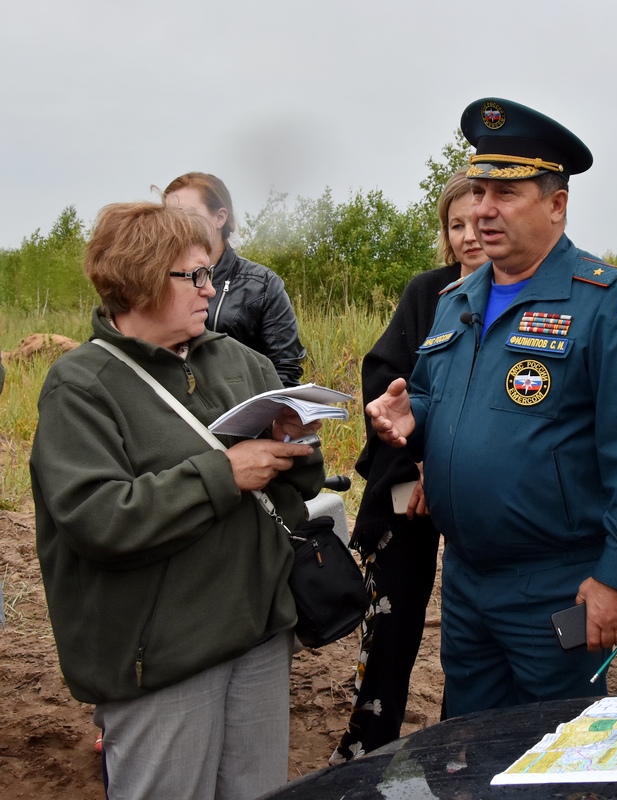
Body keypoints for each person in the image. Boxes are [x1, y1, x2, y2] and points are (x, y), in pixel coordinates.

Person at [366, 98, 617, 717]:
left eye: (506, 193)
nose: (483, 210)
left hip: (559, 584)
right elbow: (433, 394)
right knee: (469, 744)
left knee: (554, 748)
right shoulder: (459, 297)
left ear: (556, 204)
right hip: (466, 578)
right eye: (479, 190)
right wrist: (411, 416)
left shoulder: (608, 303)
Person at [31, 201, 324, 799]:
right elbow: (99, 520)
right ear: (139, 278)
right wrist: (225, 473)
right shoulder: (81, 385)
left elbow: (298, 493)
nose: (209, 289)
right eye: (192, 276)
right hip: (163, 658)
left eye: (208, 272)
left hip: (259, 635)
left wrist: (296, 450)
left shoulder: (243, 362)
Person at [331, 168, 488, 763]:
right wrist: (418, 464)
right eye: (456, 225)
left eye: (479, 220)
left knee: (471, 624)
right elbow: (387, 379)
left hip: (476, 487)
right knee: (392, 617)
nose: (470, 234)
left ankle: (459, 741)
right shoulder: (428, 292)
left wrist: (444, 467)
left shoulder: (524, 294)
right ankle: (368, 741)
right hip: (406, 488)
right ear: (445, 235)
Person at [164, 172, 307, 386]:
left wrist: (267, 416)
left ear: (220, 217)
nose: (177, 226)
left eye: (188, 215)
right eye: (168, 217)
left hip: (244, 414)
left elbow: (284, 370)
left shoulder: (262, 285)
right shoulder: (156, 280)